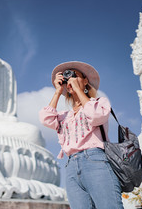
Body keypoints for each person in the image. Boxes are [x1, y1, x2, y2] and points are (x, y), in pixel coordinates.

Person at [39, 61, 124, 209]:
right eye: (67, 77)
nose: (70, 79)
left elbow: (96, 115)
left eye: (74, 76)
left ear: (86, 81)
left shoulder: (98, 103)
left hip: (96, 161)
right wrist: (58, 91)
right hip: (71, 166)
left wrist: (79, 90)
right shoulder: (65, 115)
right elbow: (46, 119)